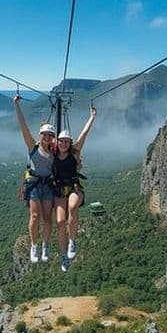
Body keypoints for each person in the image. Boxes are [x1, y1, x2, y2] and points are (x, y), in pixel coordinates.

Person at [54, 106, 96, 272]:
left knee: (72, 207)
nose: (64, 144)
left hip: (74, 187)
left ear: (69, 143)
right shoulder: (53, 154)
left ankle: (72, 241)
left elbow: (83, 134)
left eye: (66, 142)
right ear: (57, 142)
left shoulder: (75, 153)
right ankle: (64, 256)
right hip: (58, 190)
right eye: (61, 141)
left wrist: (92, 117)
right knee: (59, 223)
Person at [14, 94, 55, 263]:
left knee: (47, 218)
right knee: (35, 216)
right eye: (45, 135)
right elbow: (23, 127)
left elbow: (71, 152)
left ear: (52, 138)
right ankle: (34, 246)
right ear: (41, 135)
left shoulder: (55, 151)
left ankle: (45, 246)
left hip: (48, 185)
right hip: (33, 184)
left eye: (50, 135)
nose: (47, 138)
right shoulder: (33, 146)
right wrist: (16, 106)